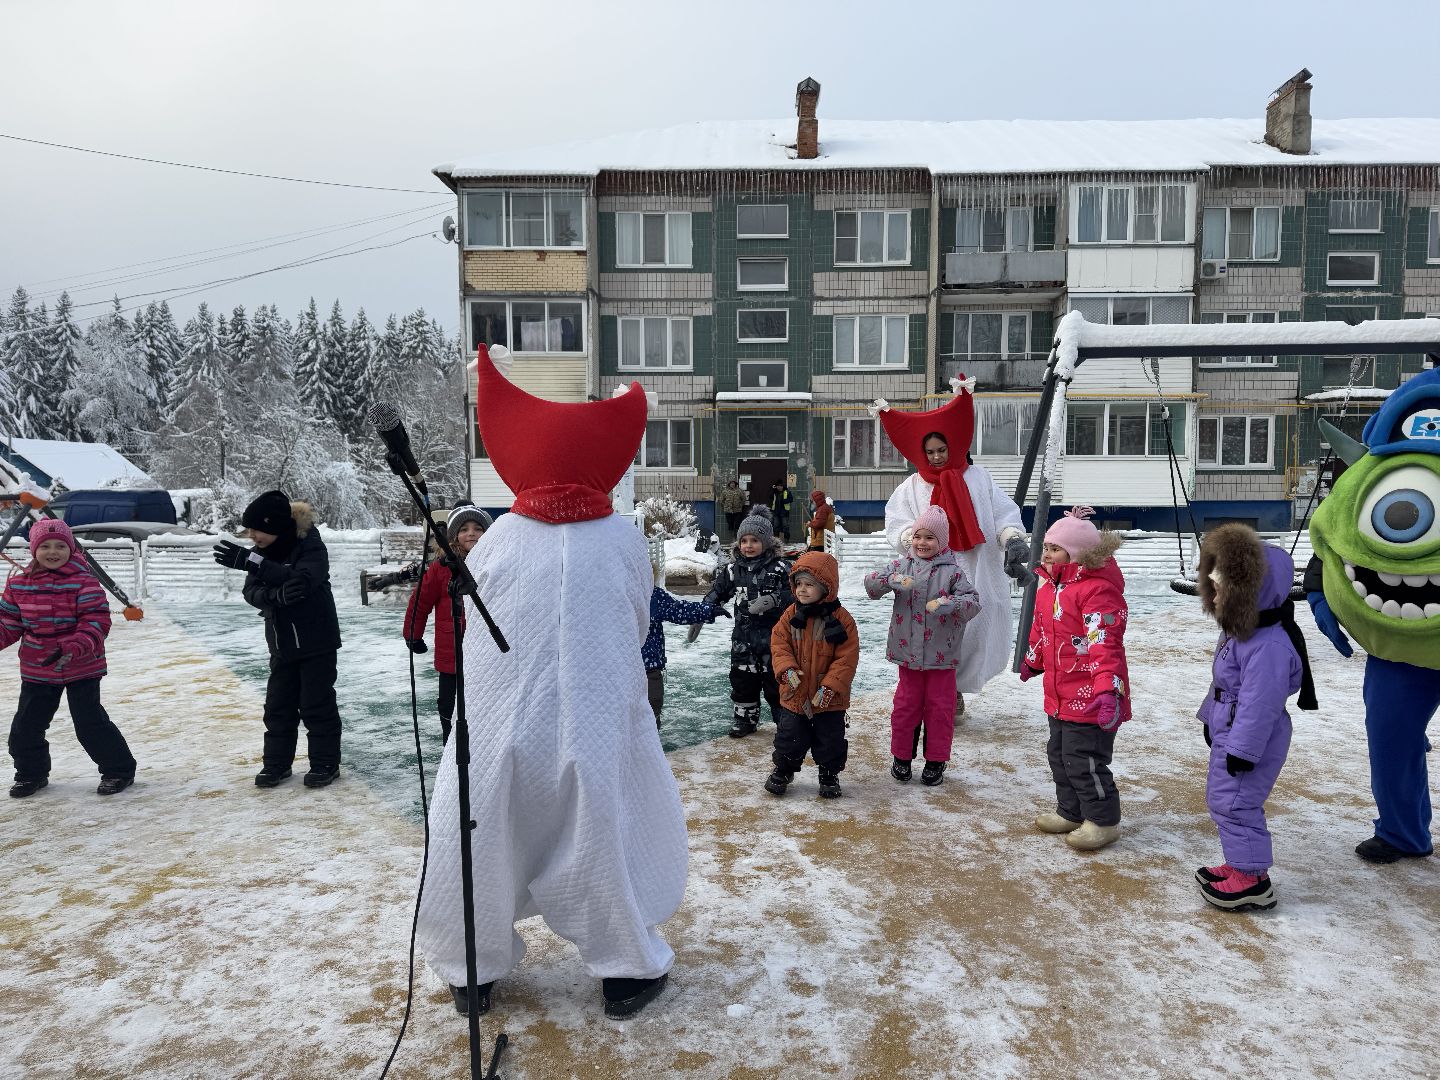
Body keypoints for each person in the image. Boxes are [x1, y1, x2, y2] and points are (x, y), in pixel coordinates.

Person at [416, 345, 687, 1021]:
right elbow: (633, 615)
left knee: (482, 824)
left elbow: (477, 632)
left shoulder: (501, 539)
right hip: (597, 720)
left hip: (502, 721)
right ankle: (624, 971)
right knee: (602, 822)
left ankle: (469, 966)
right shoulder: (622, 539)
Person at [1306, 368, 1440, 865]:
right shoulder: (1373, 472)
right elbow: (1334, 542)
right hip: (1398, 652)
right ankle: (1403, 832)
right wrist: (1321, 594)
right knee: (1391, 738)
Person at [878, 380, 1034, 717]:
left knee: (973, 628)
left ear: (955, 447)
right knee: (933, 629)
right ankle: (940, 691)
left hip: (974, 569)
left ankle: (955, 688)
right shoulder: (912, 486)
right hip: (929, 572)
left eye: (941, 450)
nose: (935, 457)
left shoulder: (978, 478)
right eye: (930, 451)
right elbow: (897, 522)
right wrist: (913, 540)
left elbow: (1001, 513)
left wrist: (1012, 539)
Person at [1195, 524, 1316, 911]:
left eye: (1223, 584)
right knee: (1227, 799)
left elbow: (1259, 703)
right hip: (1233, 729)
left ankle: (1250, 880)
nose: (1215, 591)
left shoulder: (1268, 646)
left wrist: (1243, 749)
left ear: (1251, 590)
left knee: (1234, 803)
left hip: (1252, 738)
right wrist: (1208, 717)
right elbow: (1224, 684)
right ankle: (1243, 865)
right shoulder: (1243, 632)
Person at [213, 491, 343, 789]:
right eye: (250, 530)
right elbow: (252, 592)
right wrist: (274, 596)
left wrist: (255, 564)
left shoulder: (309, 544)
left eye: (258, 529)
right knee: (277, 707)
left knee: (316, 705)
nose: (253, 535)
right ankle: (276, 765)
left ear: (277, 526)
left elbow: (303, 579)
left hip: (316, 642)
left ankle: (325, 763)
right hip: (282, 644)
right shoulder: (262, 552)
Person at [1019, 507, 1129, 851]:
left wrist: (1109, 690)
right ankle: (1071, 810)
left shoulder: (1096, 591)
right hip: (1059, 694)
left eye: (1055, 548)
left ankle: (1102, 820)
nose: (1046, 554)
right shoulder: (1049, 589)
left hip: (1092, 697)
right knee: (1060, 755)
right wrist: (1033, 661)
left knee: (1085, 760)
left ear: (1078, 553)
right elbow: (1041, 632)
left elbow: (1104, 644)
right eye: (1046, 547)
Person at [4, 519, 135, 798]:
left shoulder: (84, 582)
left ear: (71, 548)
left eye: (61, 546)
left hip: (82, 665)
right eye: (46, 546)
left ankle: (118, 770)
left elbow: (97, 620)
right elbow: (9, 623)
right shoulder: (19, 585)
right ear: (34, 549)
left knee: (89, 723)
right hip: (38, 667)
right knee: (26, 726)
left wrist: (76, 644)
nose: (54, 551)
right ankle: (31, 774)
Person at [864, 505, 981, 786]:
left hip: (942, 658)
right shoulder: (901, 565)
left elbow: (973, 603)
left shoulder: (953, 573)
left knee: (940, 710)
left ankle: (935, 761)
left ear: (941, 542)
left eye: (930, 538)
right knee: (905, 707)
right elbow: (869, 585)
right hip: (908, 656)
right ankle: (901, 758)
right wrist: (889, 581)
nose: (922, 543)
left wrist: (949, 604)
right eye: (918, 537)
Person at [765, 551, 859, 798]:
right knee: (789, 736)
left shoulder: (842, 620)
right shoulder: (790, 615)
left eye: (809, 585)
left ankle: (829, 773)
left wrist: (830, 686)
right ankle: (783, 769)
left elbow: (846, 658)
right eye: (798, 584)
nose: (802, 590)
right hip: (795, 694)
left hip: (828, 699)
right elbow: (779, 644)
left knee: (830, 739)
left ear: (826, 587)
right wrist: (786, 669)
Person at [403, 502, 492, 743]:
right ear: (453, 536)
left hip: (486, 653)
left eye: (477, 528)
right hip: (451, 652)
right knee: (448, 705)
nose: (471, 533)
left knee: (482, 705)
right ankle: (449, 749)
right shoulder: (441, 568)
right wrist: (413, 633)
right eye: (464, 529)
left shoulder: (493, 565)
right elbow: (420, 601)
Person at [704, 508, 793, 738]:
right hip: (743, 641)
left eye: (754, 540)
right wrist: (704, 609)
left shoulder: (780, 568)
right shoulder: (733, 570)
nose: (748, 545)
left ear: (766, 542)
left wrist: (774, 599)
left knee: (777, 683)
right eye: (744, 540)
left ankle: (784, 721)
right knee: (743, 683)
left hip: (775, 641)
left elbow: (796, 594)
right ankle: (745, 720)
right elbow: (719, 592)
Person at [644, 556, 726, 727]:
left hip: (650, 666)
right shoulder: (615, 599)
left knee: (653, 702)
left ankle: (651, 737)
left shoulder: (652, 597)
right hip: (621, 669)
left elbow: (679, 609)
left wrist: (707, 610)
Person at [768, 478, 793, 543]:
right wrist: (773, 489)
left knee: (785, 526)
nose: (780, 487)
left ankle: (786, 541)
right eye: (778, 486)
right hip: (776, 512)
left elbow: (791, 499)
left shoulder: (787, 491)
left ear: (783, 486)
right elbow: (770, 496)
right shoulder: (774, 492)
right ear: (776, 486)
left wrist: (784, 501)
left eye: (781, 486)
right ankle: (776, 541)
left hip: (784, 512)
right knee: (776, 526)